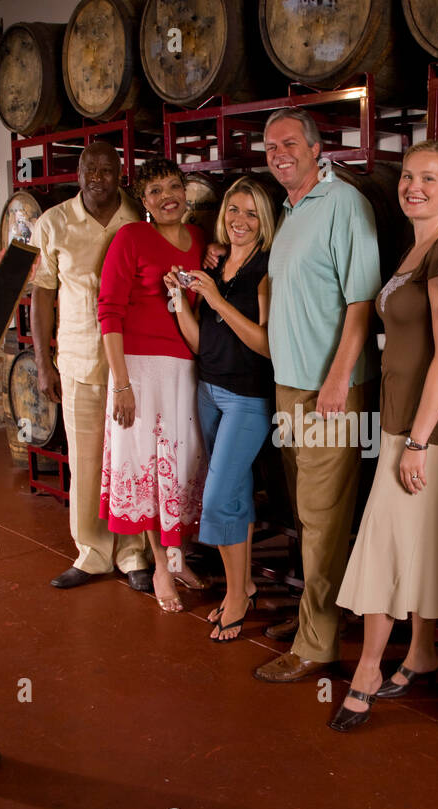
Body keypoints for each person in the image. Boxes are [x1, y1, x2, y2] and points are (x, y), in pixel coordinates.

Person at [329, 141, 438, 731]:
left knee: (385, 547)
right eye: (406, 175)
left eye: (429, 177)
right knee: (423, 544)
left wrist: (418, 442)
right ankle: (422, 652)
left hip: (431, 430)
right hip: (410, 420)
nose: (412, 186)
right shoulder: (421, 247)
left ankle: (368, 668)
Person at [252, 108, 382, 684]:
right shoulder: (290, 210)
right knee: (306, 515)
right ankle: (313, 617)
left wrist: (336, 381)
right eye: (269, 147)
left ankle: (319, 644)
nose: (278, 153)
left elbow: (362, 302)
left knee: (325, 518)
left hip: (332, 390)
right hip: (290, 387)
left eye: (288, 143)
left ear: (314, 146)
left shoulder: (344, 204)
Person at [30, 142, 151, 593]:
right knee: (85, 461)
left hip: (134, 364)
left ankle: (134, 553)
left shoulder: (139, 216)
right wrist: (43, 363)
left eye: (107, 168)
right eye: (90, 168)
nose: (98, 175)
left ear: (121, 172)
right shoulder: (54, 222)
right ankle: (93, 554)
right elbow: (41, 293)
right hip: (80, 361)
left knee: (130, 460)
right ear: (78, 171)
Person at [164, 177, 275, 641]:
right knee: (235, 494)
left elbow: (267, 345)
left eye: (251, 213)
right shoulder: (218, 261)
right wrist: (179, 302)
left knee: (217, 496)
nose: (240, 221)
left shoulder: (267, 270)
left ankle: (235, 598)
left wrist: (213, 298)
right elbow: (200, 341)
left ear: (265, 221)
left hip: (248, 397)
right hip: (208, 390)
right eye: (234, 210)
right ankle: (244, 582)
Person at [98, 157, 207, 612]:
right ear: (143, 202)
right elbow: (109, 310)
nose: (167, 197)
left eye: (173, 187)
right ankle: (160, 564)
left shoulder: (200, 240)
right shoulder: (131, 238)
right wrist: (121, 384)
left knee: (178, 467)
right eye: (156, 191)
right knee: (146, 464)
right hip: (137, 369)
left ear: (186, 191)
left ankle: (178, 557)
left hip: (183, 368)